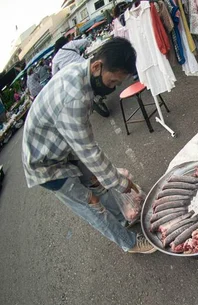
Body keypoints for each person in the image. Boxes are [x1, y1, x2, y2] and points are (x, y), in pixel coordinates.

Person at [22, 37, 156, 254]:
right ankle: (130, 243)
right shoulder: (73, 98)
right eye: (112, 82)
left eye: (117, 84)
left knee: (97, 182)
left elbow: (84, 146)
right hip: (45, 163)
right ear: (96, 66)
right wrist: (122, 183)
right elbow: (89, 151)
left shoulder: (82, 72)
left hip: (63, 145)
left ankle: (123, 218)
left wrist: (108, 179)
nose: (112, 88)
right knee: (92, 202)